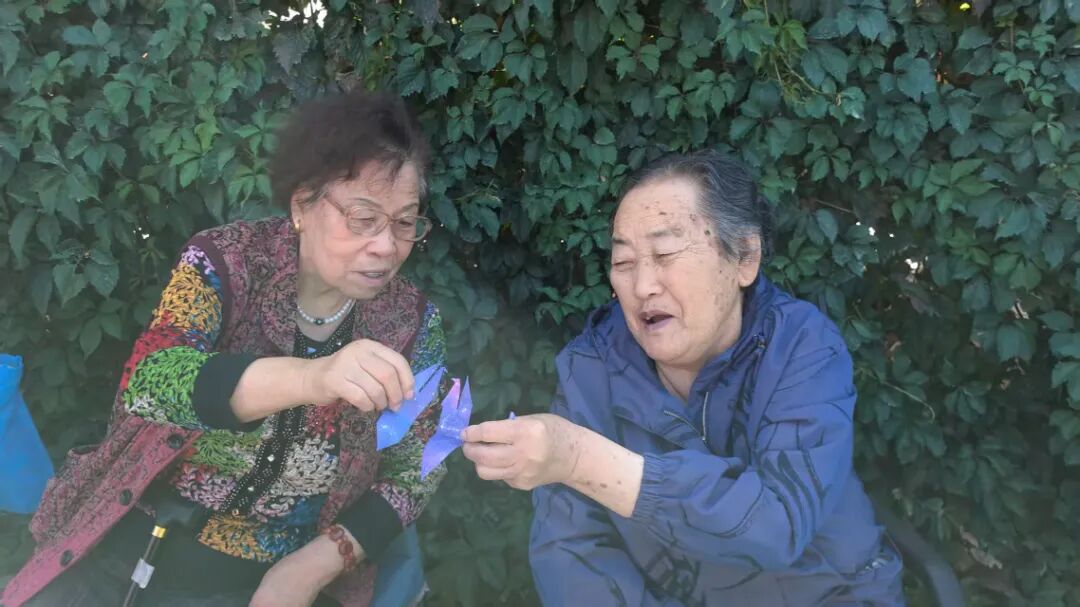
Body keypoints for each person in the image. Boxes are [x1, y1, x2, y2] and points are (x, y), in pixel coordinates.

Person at [3, 90, 448, 607]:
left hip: (273, 586)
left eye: (404, 222)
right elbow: (151, 381)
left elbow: (417, 469)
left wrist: (312, 568)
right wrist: (314, 377)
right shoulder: (225, 262)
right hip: (126, 554)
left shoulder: (413, 324)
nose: (387, 246)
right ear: (303, 205)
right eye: (363, 218)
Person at [461, 150, 905, 605]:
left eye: (666, 254)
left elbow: (777, 524)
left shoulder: (801, 345)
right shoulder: (590, 371)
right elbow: (572, 554)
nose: (642, 286)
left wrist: (578, 458)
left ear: (745, 257)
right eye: (624, 262)